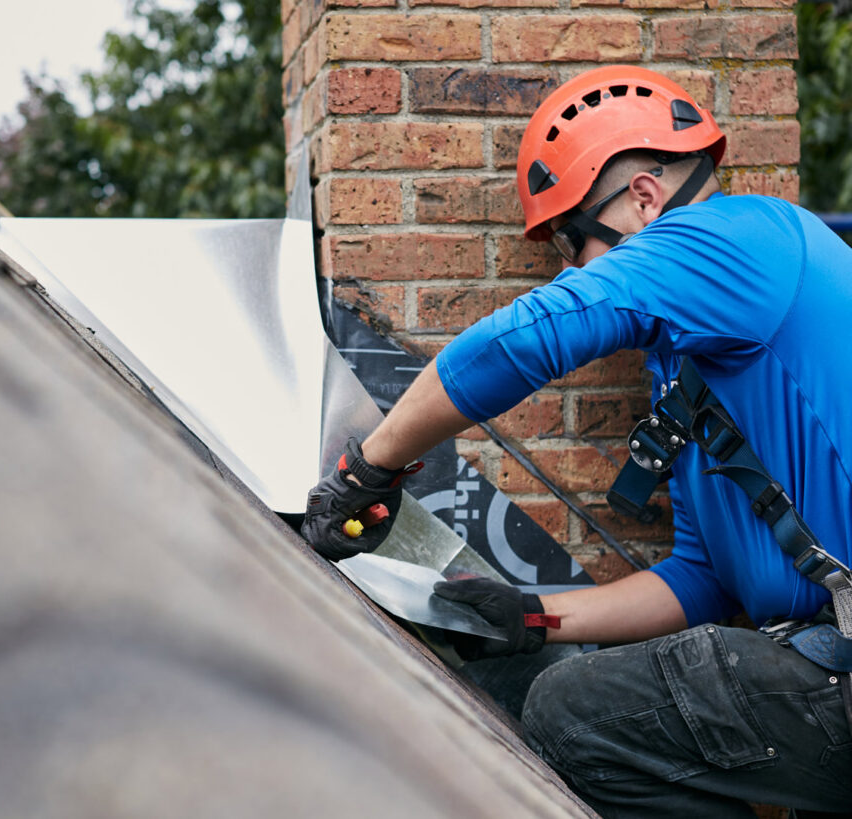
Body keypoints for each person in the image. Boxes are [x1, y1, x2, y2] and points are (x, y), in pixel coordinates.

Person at [301, 66, 852, 817]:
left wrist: (371, 463)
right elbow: (701, 578)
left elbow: (524, 340)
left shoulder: (737, 238)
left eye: (572, 242)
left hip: (837, 664)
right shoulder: (694, 368)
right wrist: (533, 616)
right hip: (823, 667)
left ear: (645, 199)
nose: (570, 269)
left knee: (577, 711)